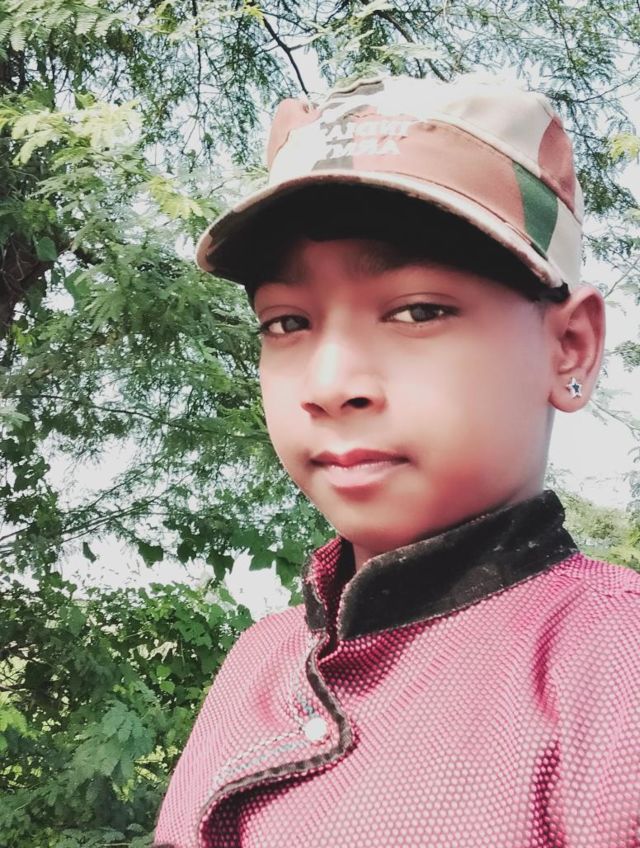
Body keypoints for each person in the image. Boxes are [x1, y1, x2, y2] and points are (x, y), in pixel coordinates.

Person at [154, 74, 640, 848]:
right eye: (287, 323)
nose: (329, 384)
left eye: (417, 310)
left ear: (570, 346)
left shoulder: (616, 669)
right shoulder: (258, 662)